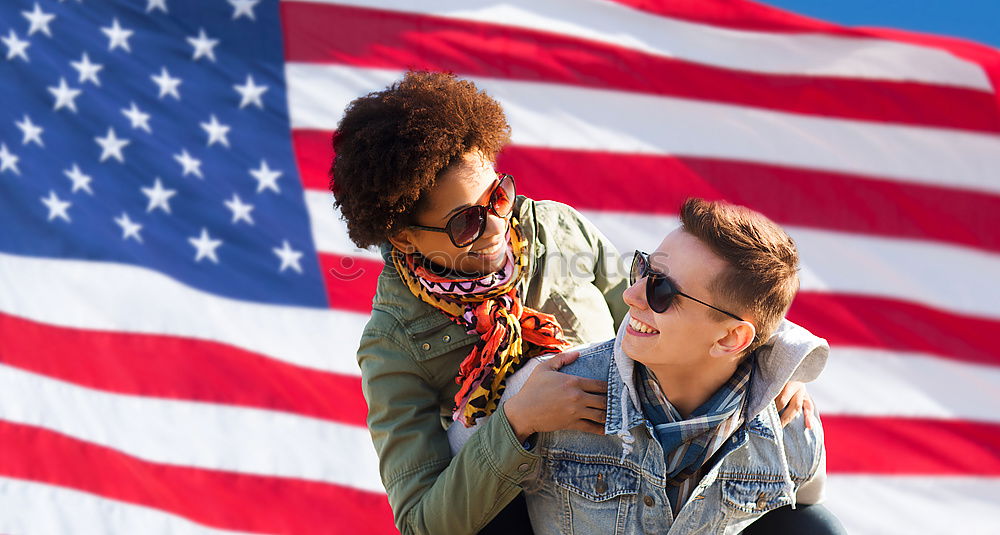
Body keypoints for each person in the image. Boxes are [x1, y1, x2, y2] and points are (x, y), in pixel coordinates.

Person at [331, 71, 818, 535]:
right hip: (539, 512)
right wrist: (517, 423)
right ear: (403, 234)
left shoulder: (561, 231)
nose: (499, 228)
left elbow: (669, 314)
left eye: (498, 196)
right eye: (466, 224)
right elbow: (423, 521)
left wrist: (767, 362)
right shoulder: (393, 344)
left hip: (649, 470)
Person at [511, 198, 846, 534]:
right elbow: (464, 494)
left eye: (662, 290)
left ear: (731, 339)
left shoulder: (790, 426)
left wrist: (782, 369)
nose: (631, 295)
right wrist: (515, 423)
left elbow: (806, 510)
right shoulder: (551, 391)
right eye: (644, 269)